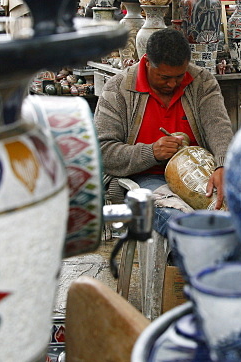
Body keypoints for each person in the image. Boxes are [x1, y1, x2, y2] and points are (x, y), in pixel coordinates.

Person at [95, 28, 233, 233]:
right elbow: (102, 152)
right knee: (181, 223)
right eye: (164, 77)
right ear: (147, 62)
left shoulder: (201, 81)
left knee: (238, 213)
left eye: (179, 76)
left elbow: (219, 126)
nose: (173, 83)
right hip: (146, 177)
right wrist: (151, 152)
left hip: (200, 172)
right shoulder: (118, 88)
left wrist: (222, 165)